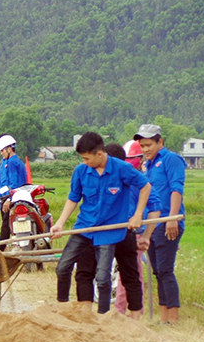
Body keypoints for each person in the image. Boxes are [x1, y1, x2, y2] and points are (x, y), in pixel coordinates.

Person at [52, 132, 151, 314]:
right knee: (63, 267)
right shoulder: (81, 171)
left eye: (87, 158)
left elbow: (145, 186)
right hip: (84, 227)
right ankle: (62, 309)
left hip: (109, 231)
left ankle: (102, 317)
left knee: (103, 277)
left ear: (99, 154)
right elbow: (73, 198)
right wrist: (60, 223)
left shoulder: (121, 169)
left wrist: (137, 215)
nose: (84, 162)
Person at [135, 124, 187, 324]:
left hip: (167, 222)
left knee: (165, 269)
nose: (145, 149)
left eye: (148, 145)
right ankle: (164, 316)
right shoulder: (147, 164)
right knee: (157, 270)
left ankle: (173, 319)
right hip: (152, 224)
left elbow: (176, 188)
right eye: (142, 146)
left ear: (160, 142)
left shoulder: (171, 159)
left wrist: (172, 218)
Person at [105, 143, 162, 318]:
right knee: (102, 271)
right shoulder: (104, 179)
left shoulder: (138, 180)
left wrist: (146, 235)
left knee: (129, 274)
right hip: (108, 233)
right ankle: (108, 312)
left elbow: (156, 207)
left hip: (133, 235)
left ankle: (125, 313)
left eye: (133, 160)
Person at [0, 135, 27, 248]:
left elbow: (14, 184)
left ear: (9, 149)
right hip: (9, 196)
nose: (1, 153)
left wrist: (9, 199)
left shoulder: (12, 163)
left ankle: (1, 250)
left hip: (12, 198)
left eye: (2, 150)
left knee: (6, 226)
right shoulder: (9, 161)